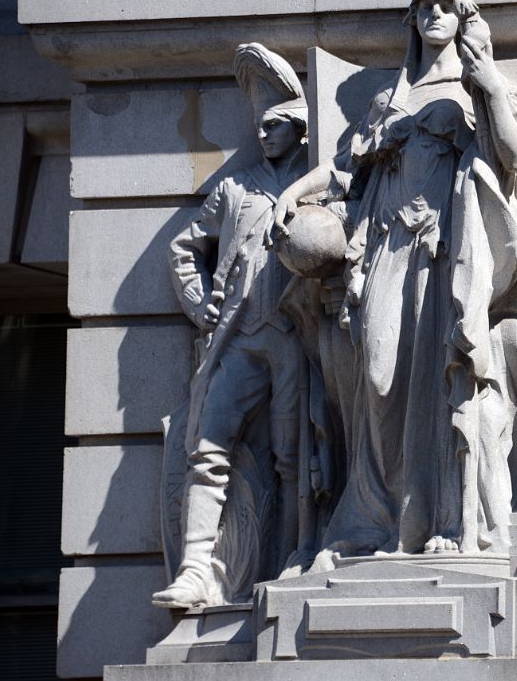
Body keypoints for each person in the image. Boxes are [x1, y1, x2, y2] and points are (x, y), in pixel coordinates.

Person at [274, 0, 517, 560]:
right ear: (411, 19)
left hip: (447, 259)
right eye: (424, 5)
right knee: (377, 376)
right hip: (384, 254)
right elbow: (343, 171)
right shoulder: (389, 99)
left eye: (446, 3)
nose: (434, 13)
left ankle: (449, 520)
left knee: (449, 383)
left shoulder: (474, 89)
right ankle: (375, 523)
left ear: (465, 17)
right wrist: (294, 194)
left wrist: (490, 79)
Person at [153, 43, 310, 608]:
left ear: (297, 126)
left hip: (294, 341)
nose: (263, 134)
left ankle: (298, 556)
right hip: (238, 339)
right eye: (259, 125)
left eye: (274, 124)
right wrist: (200, 305)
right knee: (208, 449)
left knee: (296, 455)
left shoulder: (317, 187)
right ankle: (196, 569)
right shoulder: (234, 188)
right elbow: (182, 248)